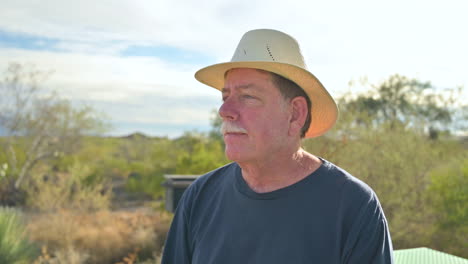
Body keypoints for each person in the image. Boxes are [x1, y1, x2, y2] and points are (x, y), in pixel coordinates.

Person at [161, 29, 394, 264]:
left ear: (295, 114)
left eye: (247, 97)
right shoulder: (200, 196)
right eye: (225, 97)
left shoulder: (353, 206)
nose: (224, 112)